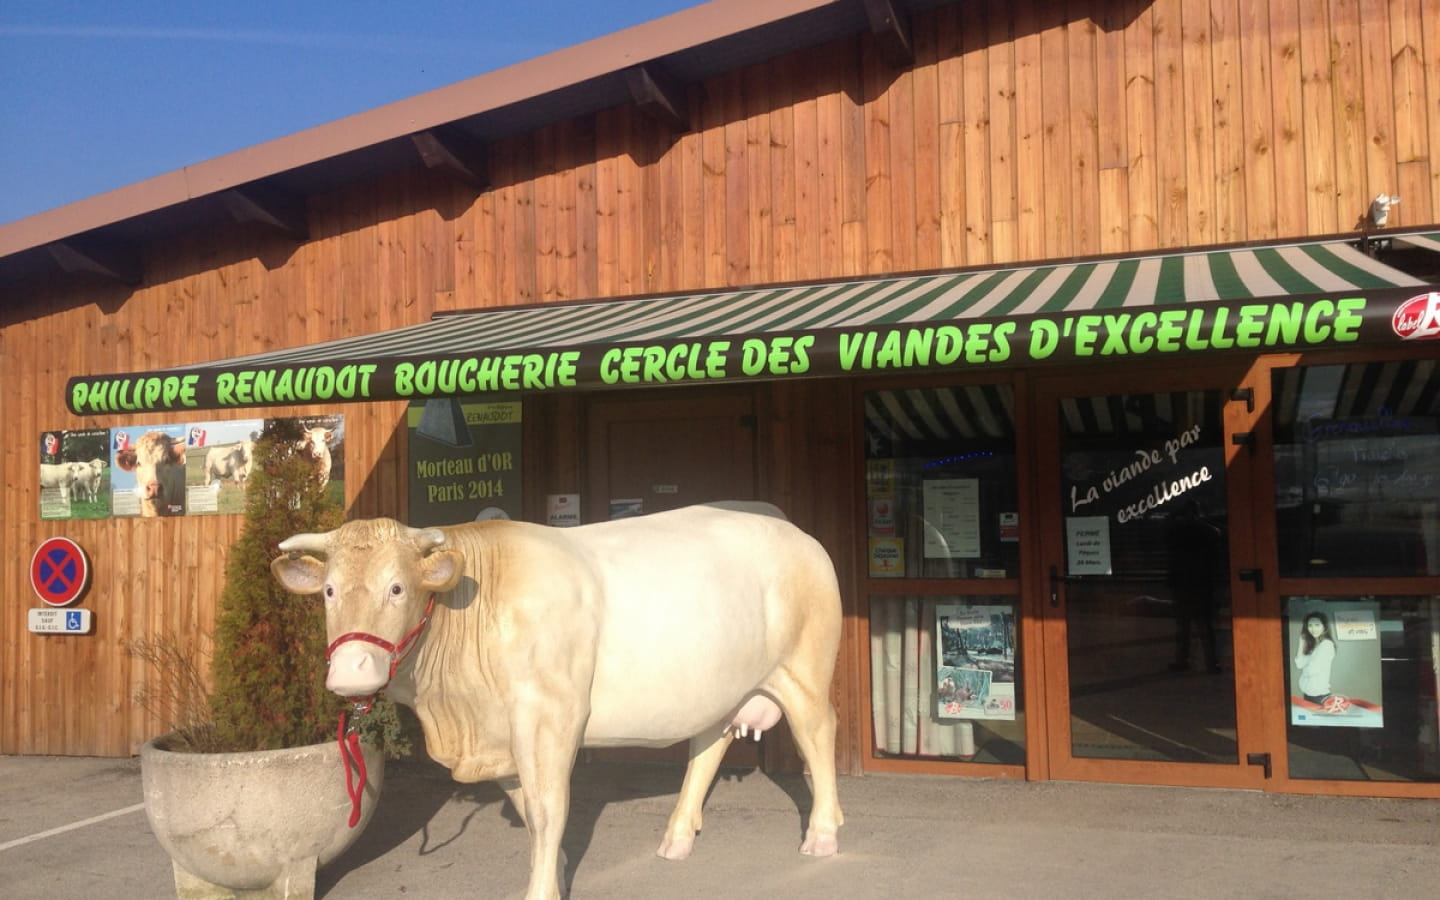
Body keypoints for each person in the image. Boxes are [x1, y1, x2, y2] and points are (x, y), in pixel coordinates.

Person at [1165, 499, 1223, 673]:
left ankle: (1183, 659)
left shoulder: (1177, 531)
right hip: (1202, 583)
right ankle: (1211, 662)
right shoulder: (1207, 531)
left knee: (1183, 626)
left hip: (1183, 583)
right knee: (1205, 626)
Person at [1293, 612, 1336, 704]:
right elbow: (1299, 664)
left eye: (1317, 625)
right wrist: (1301, 642)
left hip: (1320, 697)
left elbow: (1311, 670)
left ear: (1324, 626)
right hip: (1308, 695)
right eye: (1310, 625)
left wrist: (1306, 666)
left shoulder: (1326, 645)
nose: (1313, 629)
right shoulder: (1314, 645)